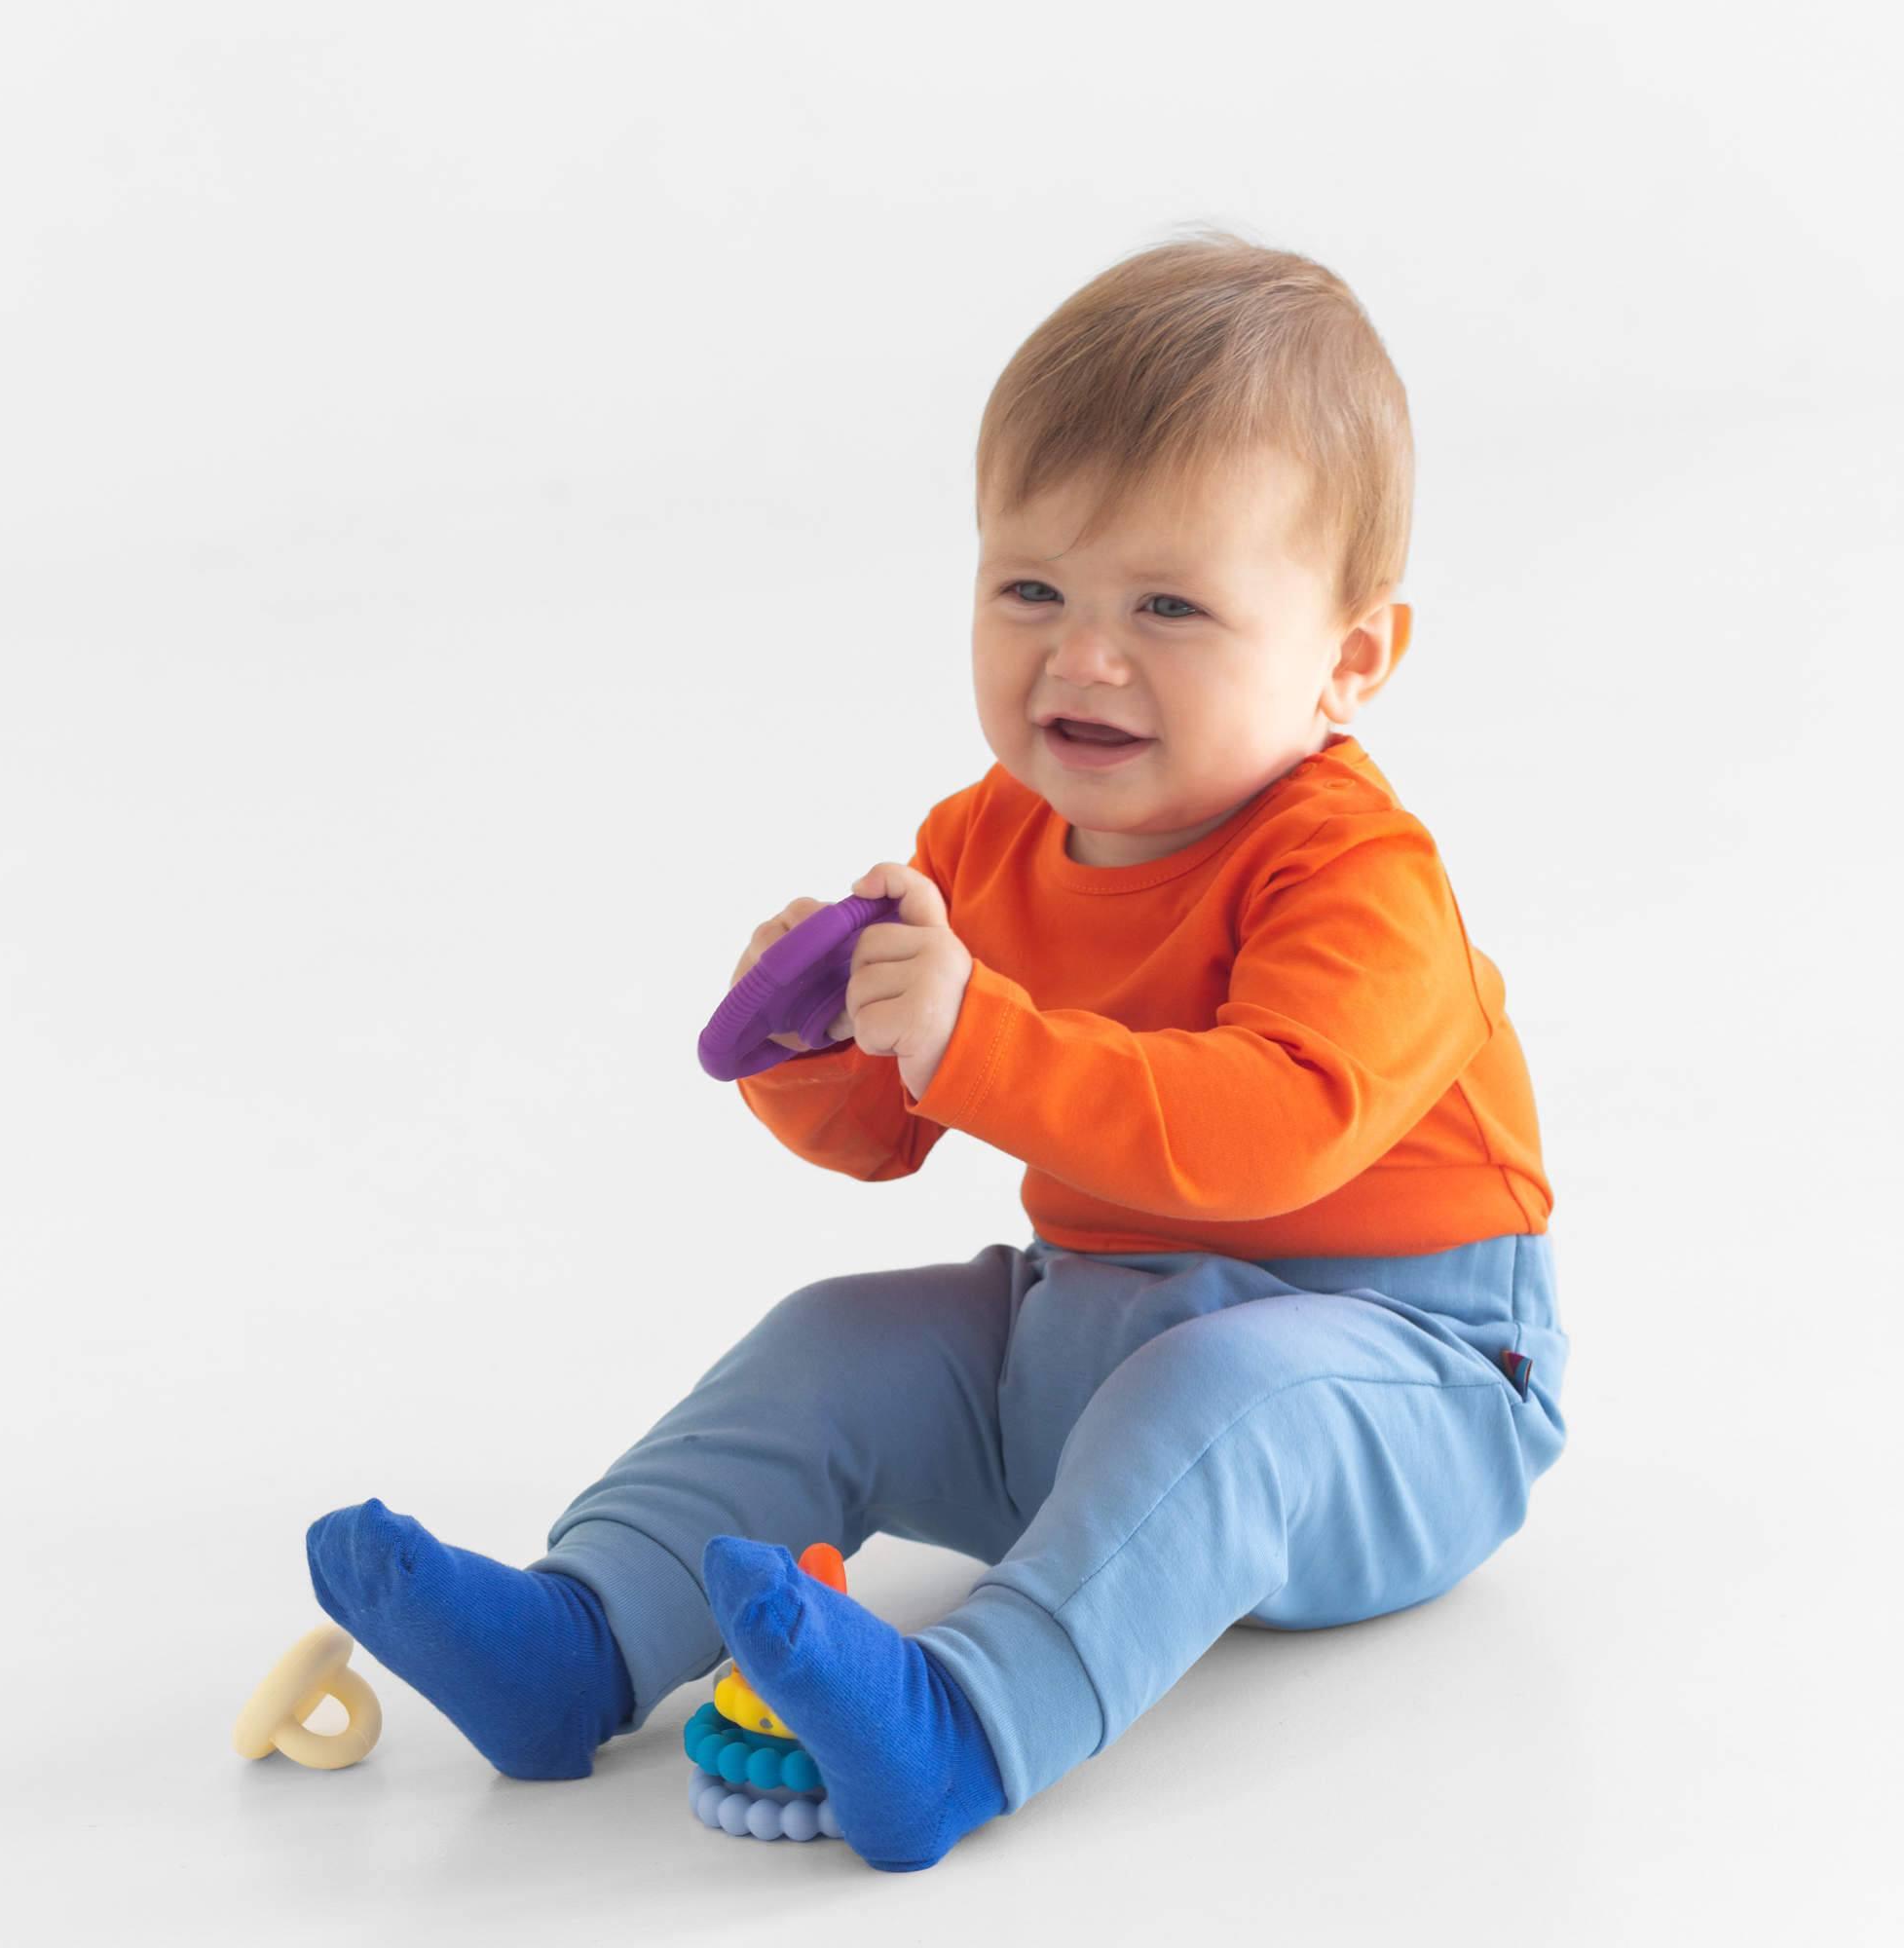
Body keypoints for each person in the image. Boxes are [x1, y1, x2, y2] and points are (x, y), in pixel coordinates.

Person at [306, 225, 1570, 1873]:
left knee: (1224, 1394)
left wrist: (976, 1033)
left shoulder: (1357, 873)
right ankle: (586, 1633)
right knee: (833, 1340)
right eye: (1031, 587)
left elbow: (1271, 1132)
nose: (1085, 655)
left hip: (1400, 1382)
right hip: (1091, 1335)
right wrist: (818, 1036)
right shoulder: (983, 840)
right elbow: (883, 1140)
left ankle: (966, 1727)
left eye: (1170, 606)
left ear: (1350, 663)